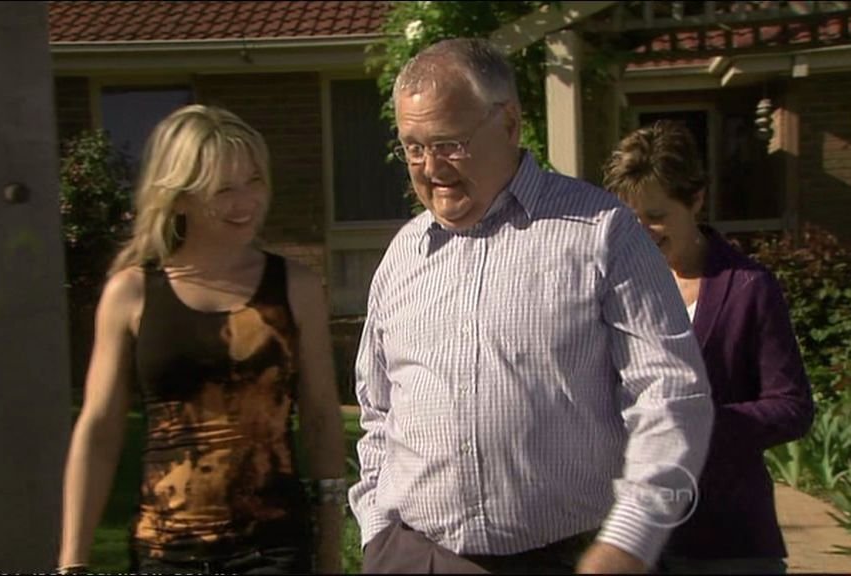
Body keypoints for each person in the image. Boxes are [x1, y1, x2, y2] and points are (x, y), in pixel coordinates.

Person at [348, 38, 715, 575]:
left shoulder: (601, 232)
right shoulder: (403, 255)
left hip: (567, 558)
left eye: (449, 144)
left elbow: (671, 393)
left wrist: (630, 540)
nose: (430, 168)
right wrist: (378, 534)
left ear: (509, 123)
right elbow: (378, 411)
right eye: (413, 147)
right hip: (416, 556)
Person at [56, 104, 346, 575]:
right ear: (179, 198)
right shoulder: (131, 293)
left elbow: (320, 417)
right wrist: (72, 561)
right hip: (165, 551)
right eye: (224, 189)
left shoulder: (296, 287)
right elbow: (100, 429)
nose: (246, 201)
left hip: (272, 550)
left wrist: (330, 546)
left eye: (255, 181)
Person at [602, 120, 814, 575]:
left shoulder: (749, 287)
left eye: (656, 216)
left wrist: (696, 423)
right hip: (635, 538)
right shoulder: (612, 289)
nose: (641, 232)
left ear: (696, 200)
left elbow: (792, 407)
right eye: (629, 218)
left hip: (728, 540)